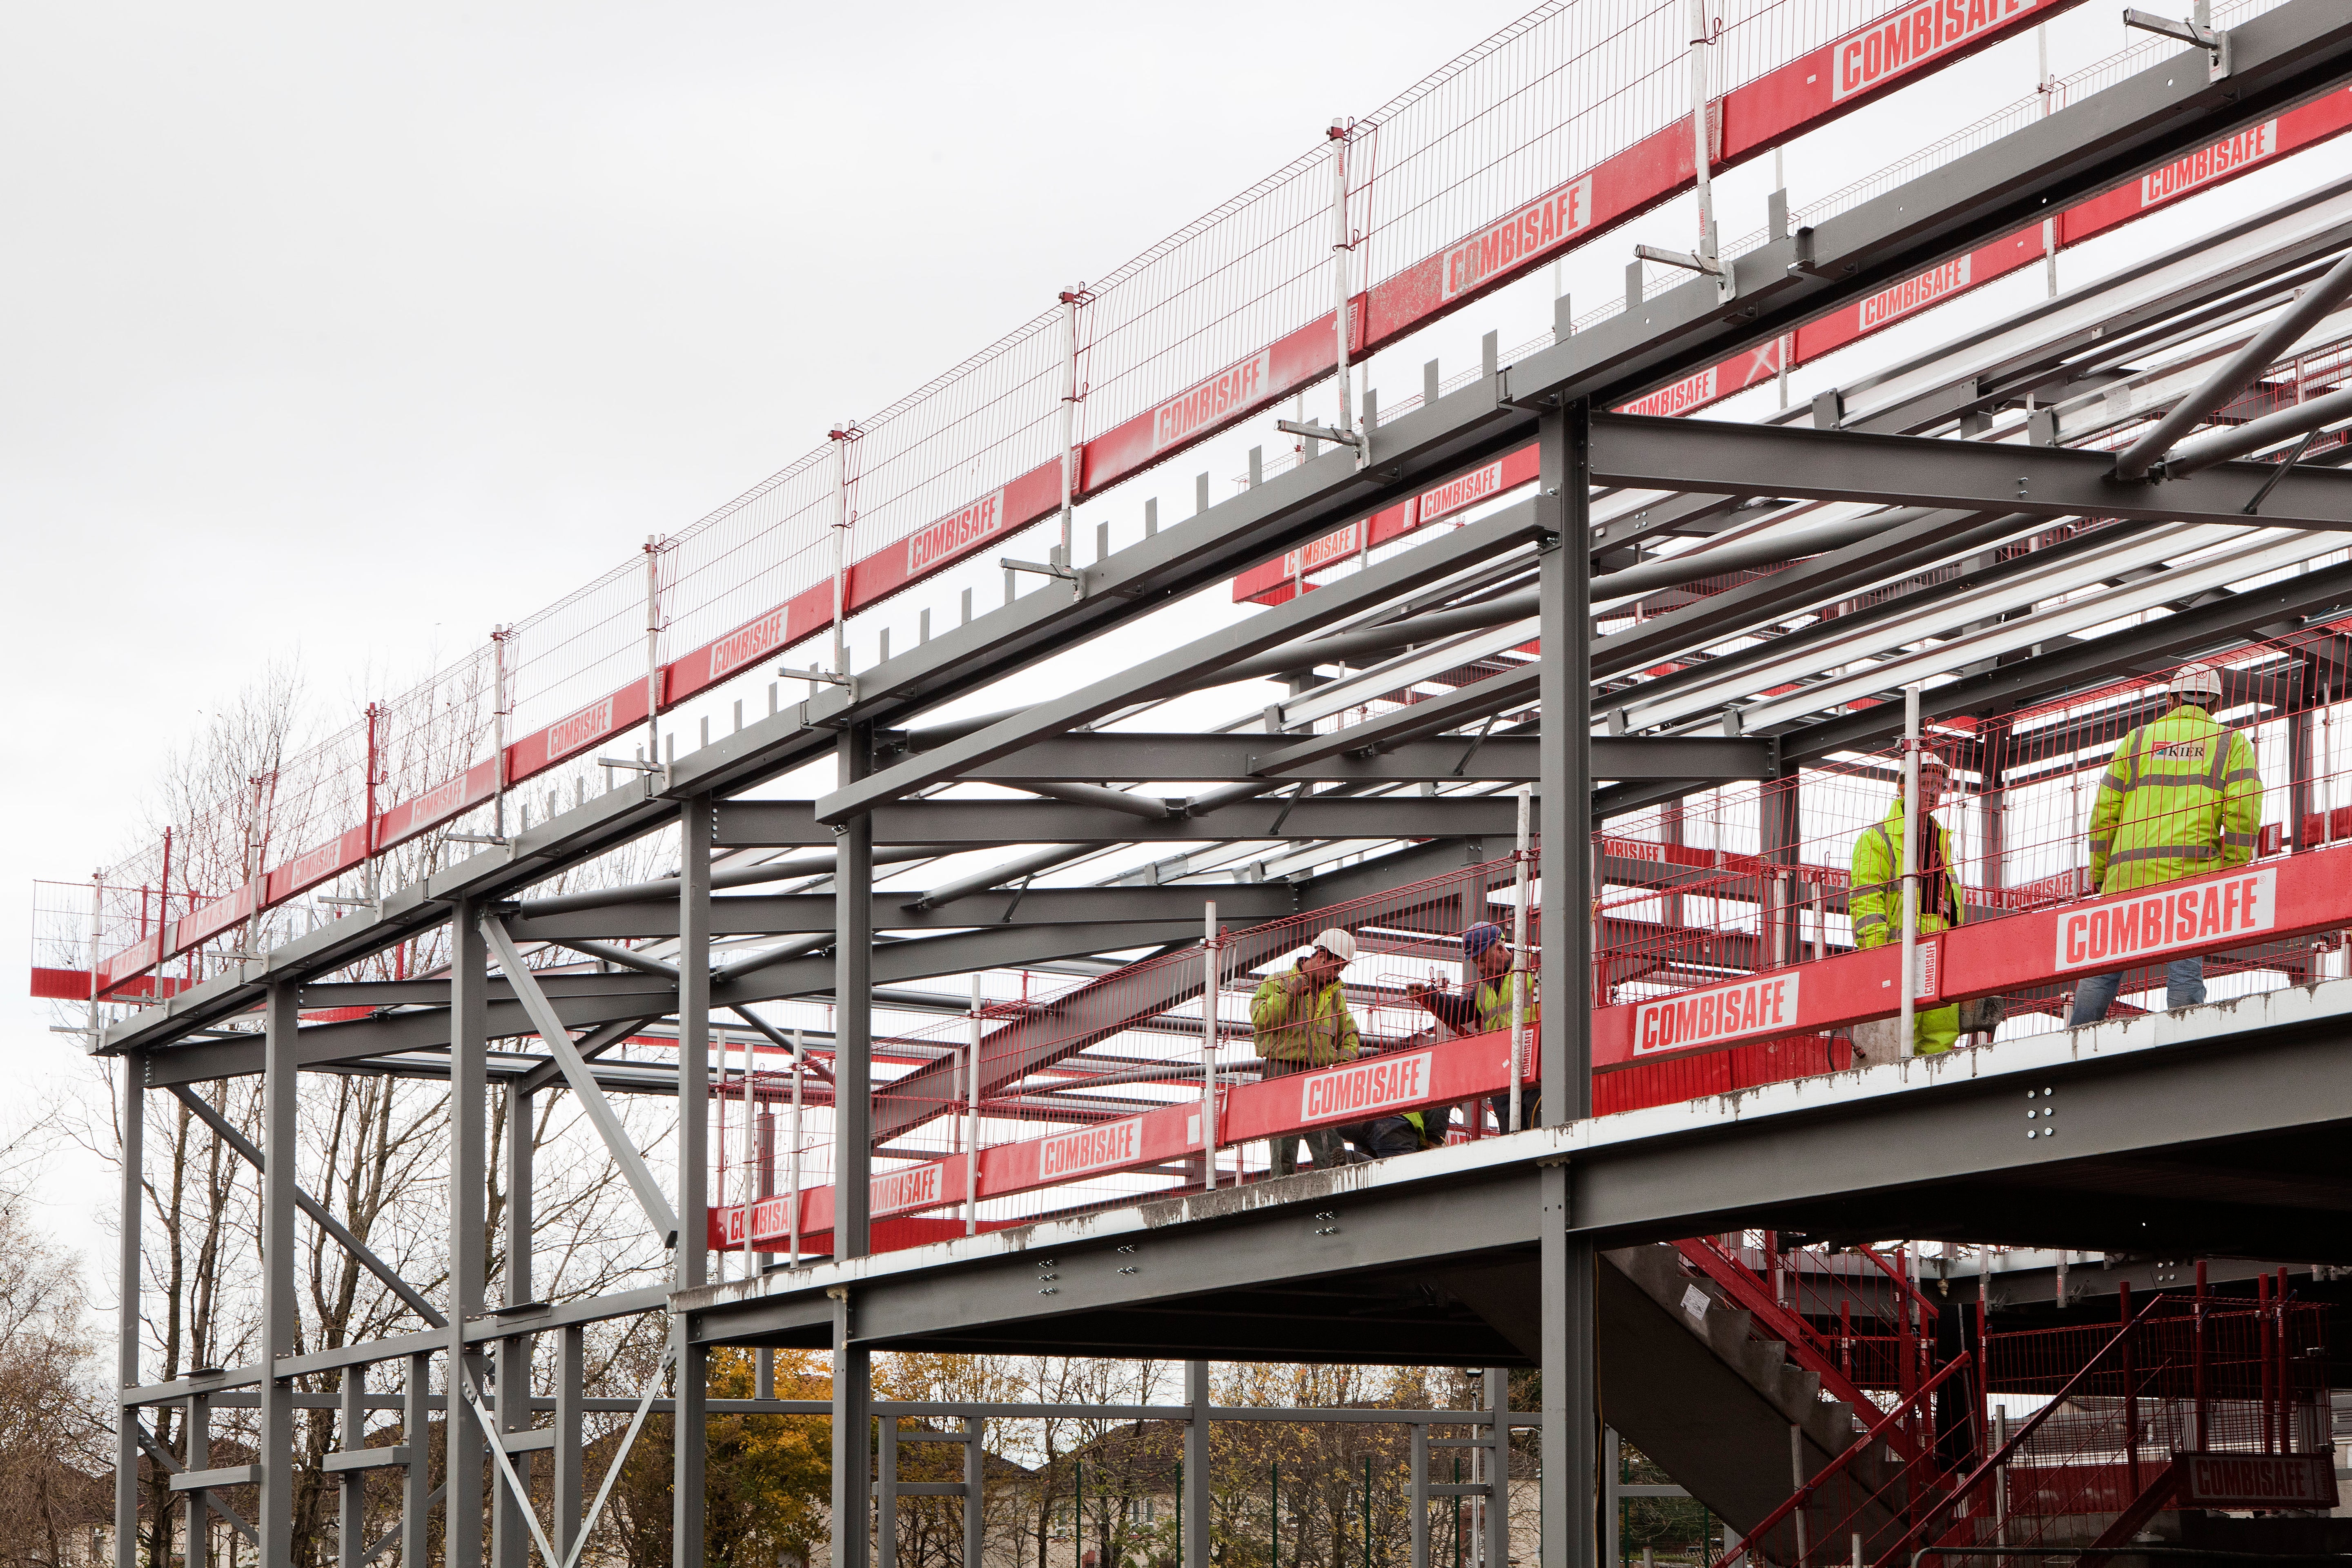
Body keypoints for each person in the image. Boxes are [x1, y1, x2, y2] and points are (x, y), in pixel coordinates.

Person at [2067, 662, 2261, 1024]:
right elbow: (2243, 813)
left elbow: (2104, 814)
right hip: (2188, 874)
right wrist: (2232, 870)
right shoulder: (2230, 743)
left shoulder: (2137, 740)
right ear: (2216, 704)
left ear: (2171, 699)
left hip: (2126, 874)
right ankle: (2182, 1037)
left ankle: (2076, 1038)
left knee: (2104, 967)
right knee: (2186, 966)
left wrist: (2101, 874)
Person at [1849, 750, 1965, 1059]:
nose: (1934, 793)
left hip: (1942, 949)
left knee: (1941, 1030)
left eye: (1939, 785)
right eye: (1925, 783)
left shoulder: (1941, 838)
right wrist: (1877, 956)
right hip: (1901, 951)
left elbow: (1950, 903)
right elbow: (1866, 902)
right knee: (1900, 1033)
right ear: (1903, 787)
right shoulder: (1877, 839)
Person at [1405, 920, 1540, 1135]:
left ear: (1499, 948)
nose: (1481, 967)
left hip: (1536, 1062)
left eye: (1484, 960)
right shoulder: (1483, 989)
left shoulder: (1533, 968)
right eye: (1477, 963)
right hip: (1503, 1067)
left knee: (1538, 1127)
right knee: (1511, 1134)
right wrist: (1429, 996)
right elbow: (1459, 1010)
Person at [1250, 927, 1367, 1175]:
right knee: (1284, 1137)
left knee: (1327, 1135)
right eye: (1336, 968)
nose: (1336, 975)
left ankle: (1334, 1180)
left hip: (1319, 1070)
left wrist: (1345, 1061)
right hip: (1282, 1066)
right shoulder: (1278, 982)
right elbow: (1262, 1020)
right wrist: (1290, 994)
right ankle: (1281, 1184)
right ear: (1322, 956)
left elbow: (1350, 1033)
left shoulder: (1335, 997)